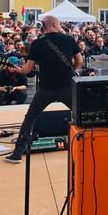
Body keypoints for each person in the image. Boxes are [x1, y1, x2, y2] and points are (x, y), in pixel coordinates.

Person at [5, 15, 82, 163]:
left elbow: (27, 70)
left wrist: (18, 70)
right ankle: (88, 143)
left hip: (46, 89)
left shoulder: (37, 44)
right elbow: (79, 61)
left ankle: (17, 153)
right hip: (66, 86)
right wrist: (71, 71)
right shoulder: (69, 40)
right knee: (80, 113)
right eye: (59, 24)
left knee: (30, 118)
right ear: (54, 24)